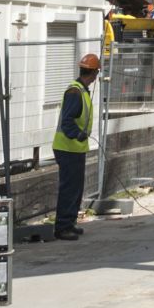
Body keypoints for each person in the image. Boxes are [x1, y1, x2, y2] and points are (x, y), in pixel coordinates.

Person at [52, 51, 101, 240]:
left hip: (74, 148)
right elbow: (67, 122)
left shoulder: (81, 91)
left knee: (75, 189)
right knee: (69, 189)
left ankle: (69, 223)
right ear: (94, 73)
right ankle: (62, 227)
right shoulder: (75, 92)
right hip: (67, 148)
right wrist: (78, 135)